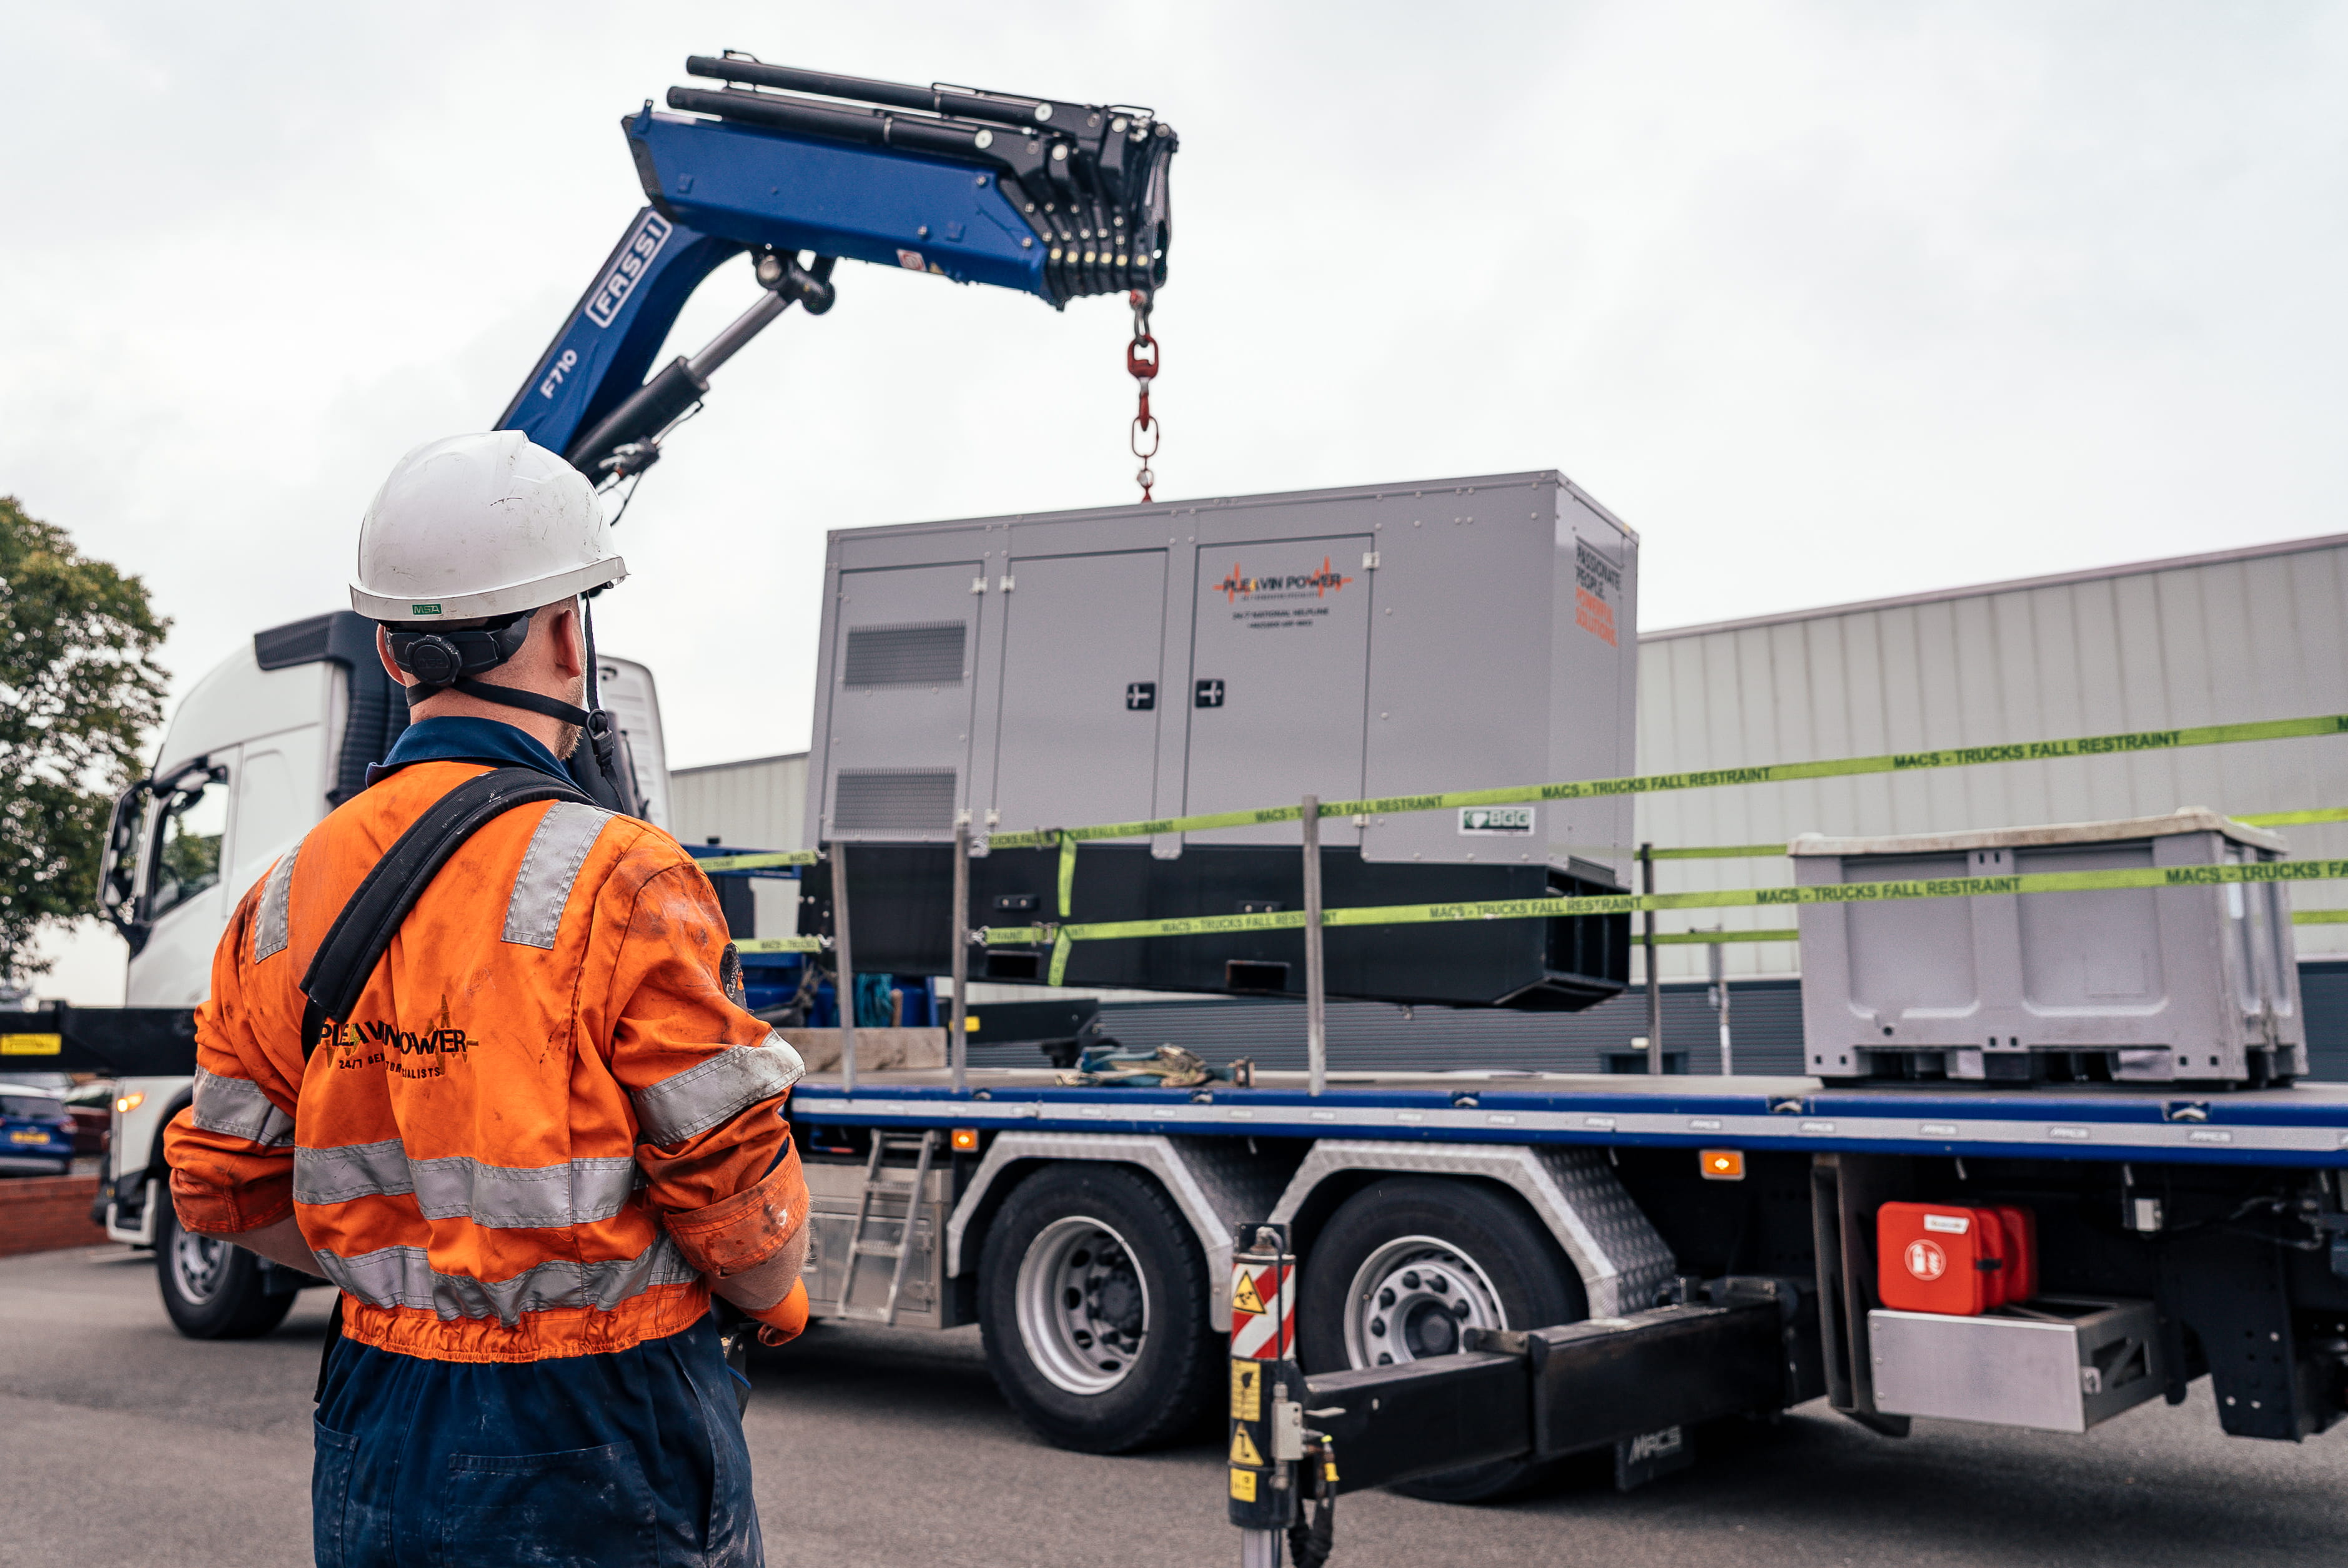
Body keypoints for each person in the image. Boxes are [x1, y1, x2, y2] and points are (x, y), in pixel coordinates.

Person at [164, 431, 808, 1567]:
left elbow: (224, 1192)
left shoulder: (280, 898)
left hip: (378, 1412)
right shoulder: (626, 879)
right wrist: (765, 1288)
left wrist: (412, 1283)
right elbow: (744, 1233)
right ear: (570, 632)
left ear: (391, 649)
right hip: (608, 1421)